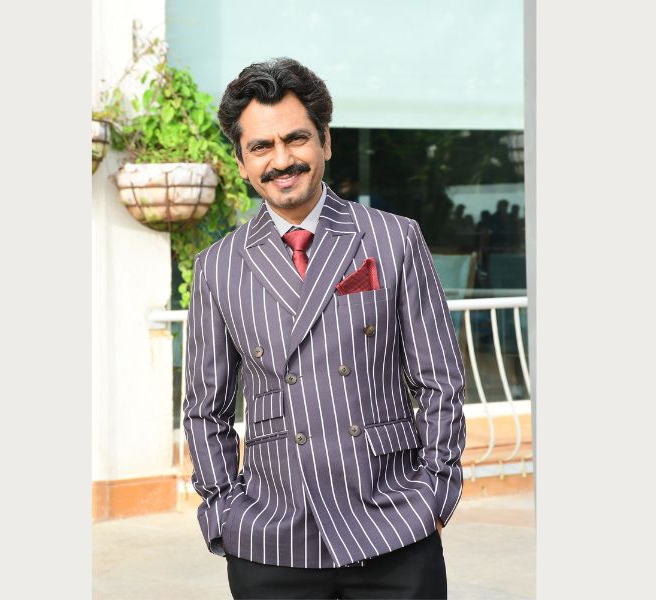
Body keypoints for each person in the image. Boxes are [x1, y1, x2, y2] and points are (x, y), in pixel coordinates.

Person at [183, 57, 466, 599]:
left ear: (326, 142)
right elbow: (204, 408)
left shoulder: (394, 239)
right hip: (271, 535)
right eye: (261, 147)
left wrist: (436, 492)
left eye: (296, 138)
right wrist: (223, 511)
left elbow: (440, 380)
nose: (282, 160)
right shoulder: (217, 267)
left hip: (394, 521)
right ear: (241, 163)